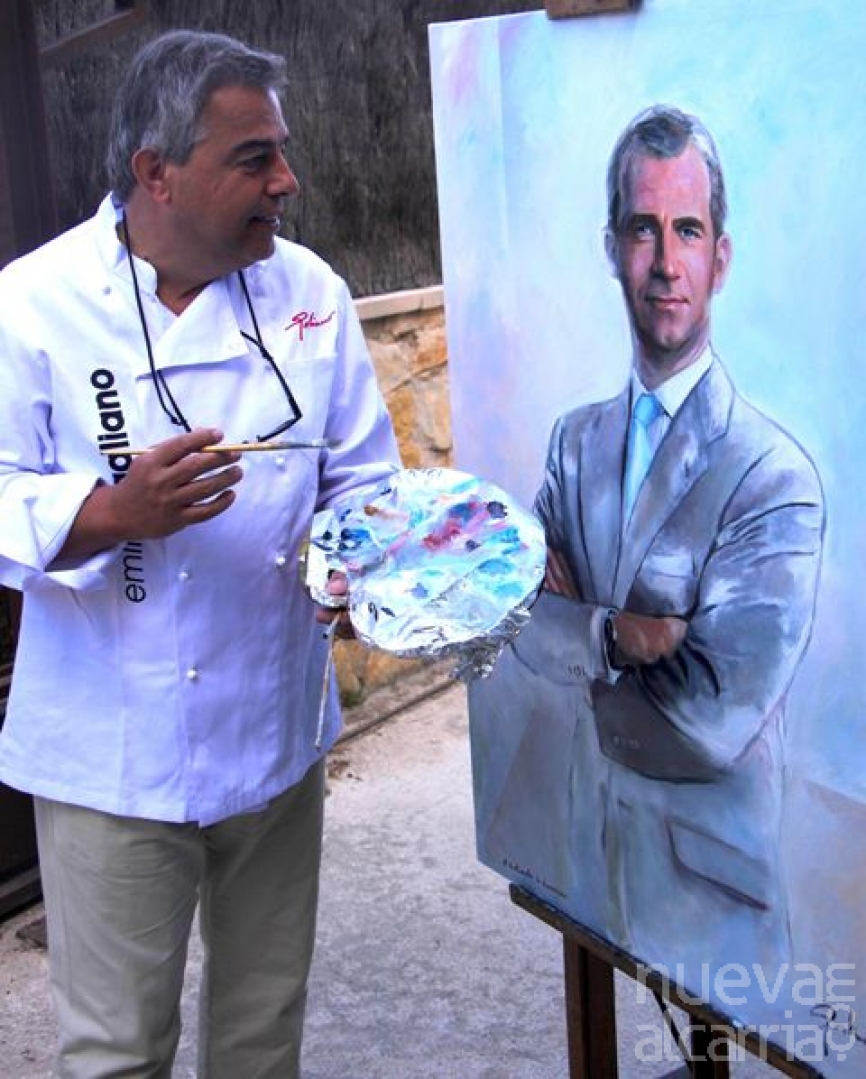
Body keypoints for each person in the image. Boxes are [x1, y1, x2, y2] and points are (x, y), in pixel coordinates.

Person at [0, 29, 399, 1078]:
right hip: (110, 747)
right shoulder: (32, 303)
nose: (287, 179)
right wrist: (111, 513)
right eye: (254, 158)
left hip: (273, 727)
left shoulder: (309, 292)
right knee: (117, 1048)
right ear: (156, 172)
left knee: (262, 1030)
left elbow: (363, 477)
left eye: (282, 152)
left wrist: (356, 566)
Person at [469, 105, 825, 1005]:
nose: (666, 261)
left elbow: (711, 721)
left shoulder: (773, 477)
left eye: (688, 230)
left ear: (721, 257)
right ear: (611, 247)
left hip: (710, 900)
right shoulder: (574, 442)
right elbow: (510, 617)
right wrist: (619, 636)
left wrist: (567, 638)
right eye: (642, 229)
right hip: (584, 861)